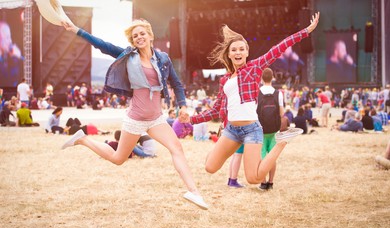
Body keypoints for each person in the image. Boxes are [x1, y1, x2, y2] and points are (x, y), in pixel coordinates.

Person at [61, 18, 208, 209]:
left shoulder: (163, 58)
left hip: (156, 119)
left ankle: (194, 192)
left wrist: (183, 106)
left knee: (177, 148)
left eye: (142, 34)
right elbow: (102, 45)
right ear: (133, 40)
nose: (139, 37)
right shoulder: (128, 56)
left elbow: (177, 84)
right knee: (118, 159)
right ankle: (83, 139)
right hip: (136, 119)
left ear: (150, 35)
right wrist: (76, 30)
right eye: (135, 36)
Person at [189, 13, 320, 185]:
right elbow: (215, 110)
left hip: (251, 129)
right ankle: (225, 147)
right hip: (231, 131)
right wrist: (191, 119)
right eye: (234, 50)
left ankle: (281, 144)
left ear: (247, 52)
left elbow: (279, 48)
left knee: (254, 178)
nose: (238, 52)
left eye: (241, 49)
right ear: (228, 54)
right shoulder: (225, 80)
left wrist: (306, 31)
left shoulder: (254, 67)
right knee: (210, 167)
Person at [257, 68, 285, 190]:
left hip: (260, 129)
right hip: (274, 129)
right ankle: (271, 182)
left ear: (261, 78)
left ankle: (263, 182)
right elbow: (282, 113)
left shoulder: (257, 93)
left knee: (262, 156)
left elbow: (254, 112)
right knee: (272, 156)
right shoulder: (278, 93)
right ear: (273, 78)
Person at [0, 21, 23, 87]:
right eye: (7, 37)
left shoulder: (6, 57)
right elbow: (10, 83)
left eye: (10, 37)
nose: (10, 41)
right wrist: (15, 59)